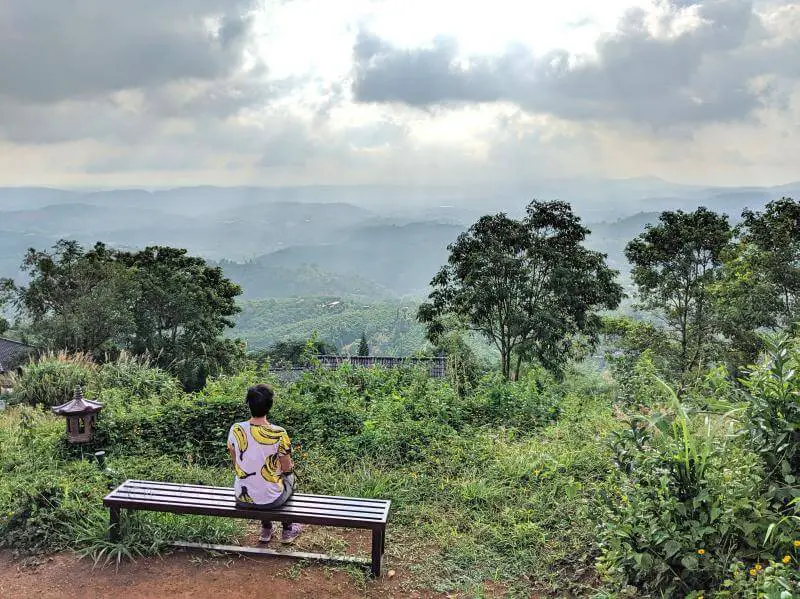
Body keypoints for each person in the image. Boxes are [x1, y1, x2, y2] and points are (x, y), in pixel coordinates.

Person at [227, 383, 302, 544]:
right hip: (270, 500)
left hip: (242, 497)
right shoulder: (278, 433)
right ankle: (288, 529)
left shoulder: (236, 429)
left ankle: (266, 528)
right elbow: (287, 468)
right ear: (270, 406)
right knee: (290, 479)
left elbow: (236, 463)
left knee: (263, 480)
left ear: (249, 404)